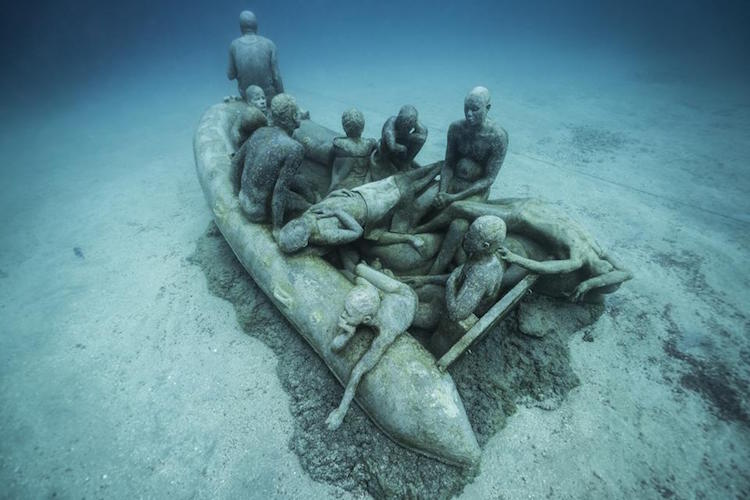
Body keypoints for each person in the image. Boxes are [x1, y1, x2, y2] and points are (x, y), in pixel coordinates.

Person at [415, 198, 632, 302]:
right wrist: (591, 284)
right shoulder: (598, 251)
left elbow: (541, 267)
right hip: (528, 206)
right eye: (611, 269)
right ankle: (420, 227)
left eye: (606, 272)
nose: (609, 266)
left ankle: (417, 229)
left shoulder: (578, 260)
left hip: (521, 215)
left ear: (597, 272)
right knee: (463, 206)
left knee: (457, 207)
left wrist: (513, 257)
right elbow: (629, 273)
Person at [423, 87, 509, 274]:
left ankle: (434, 271)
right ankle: (406, 233)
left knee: (458, 225)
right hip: (451, 183)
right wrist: (442, 191)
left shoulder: (498, 137)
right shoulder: (456, 128)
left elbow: (488, 179)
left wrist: (453, 198)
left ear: (488, 107)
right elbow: (449, 164)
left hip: (475, 191)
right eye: (466, 108)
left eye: (475, 109)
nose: (469, 114)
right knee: (423, 200)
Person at [325, 263, 418, 430]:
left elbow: (359, 371)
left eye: (348, 314)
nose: (342, 315)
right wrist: (346, 334)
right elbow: (334, 347)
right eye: (345, 310)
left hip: (404, 294)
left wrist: (341, 411)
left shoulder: (387, 331)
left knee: (360, 274)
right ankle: (367, 273)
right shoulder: (369, 302)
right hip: (387, 294)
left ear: (366, 320)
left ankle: (369, 274)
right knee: (360, 270)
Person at [277, 165, 439, 253]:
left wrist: (335, 193)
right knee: (404, 190)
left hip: (359, 194)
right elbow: (357, 232)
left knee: (398, 180)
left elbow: (323, 204)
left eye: (295, 223)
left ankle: (438, 166)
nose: (303, 221)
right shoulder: (325, 234)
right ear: (305, 241)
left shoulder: (305, 218)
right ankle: (437, 170)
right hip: (370, 207)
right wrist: (336, 212)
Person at [236, 94, 310, 230]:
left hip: (243, 199)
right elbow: (280, 192)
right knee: (307, 206)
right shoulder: (295, 148)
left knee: (299, 182)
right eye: (298, 112)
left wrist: (236, 193)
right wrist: (277, 229)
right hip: (257, 212)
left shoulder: (260, 132)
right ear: (294, 116)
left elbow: (236, 163)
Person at [227, 11, 284, 101]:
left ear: (241, 28)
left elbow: (230, 76)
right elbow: (276, 76)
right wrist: (282, 97)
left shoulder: (234, 45)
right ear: (256, 26)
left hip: (248, 97)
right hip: (267, 97)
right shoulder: (269, 44)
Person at [371, 105, 427, 179]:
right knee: (387, 148)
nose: (406, 128)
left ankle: (406, 163)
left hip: (404, 151)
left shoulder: (417, 126)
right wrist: (403, 148)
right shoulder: (391, 122)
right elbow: (392, 146)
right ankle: (396, 164)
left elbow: (422, 138)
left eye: (408, 127)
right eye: (403, 125)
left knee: (419, 140)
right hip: (388, 150)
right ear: (398, 119)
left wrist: (403, 135)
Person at [328, 108, 377, 192]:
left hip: (343, 186)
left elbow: (329, 158)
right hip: (363, 185)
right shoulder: (369, 144)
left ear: (344, 127)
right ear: (363, 126)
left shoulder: (340, 144)